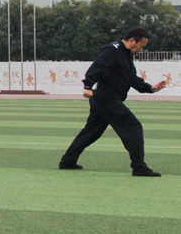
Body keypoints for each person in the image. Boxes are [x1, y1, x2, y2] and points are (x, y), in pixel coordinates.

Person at [59, 27, 168, 177]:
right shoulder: (112, 50)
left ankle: (67, 161)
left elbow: (132, 78)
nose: (141, 49)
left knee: (91, 132)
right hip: (107, 100)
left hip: (104, 100)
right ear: (132, 41)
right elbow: (97, 67)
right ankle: (139, 167)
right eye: (141, 45)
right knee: (134, 127)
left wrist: (151, 88)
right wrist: (87, 85)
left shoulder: (126, 55)